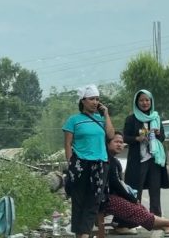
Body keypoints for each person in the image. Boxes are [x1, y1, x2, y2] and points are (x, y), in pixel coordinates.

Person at [105, 132, 169, 237]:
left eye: (121, 142)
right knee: (135, 209)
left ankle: (166, 226)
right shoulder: (106, 160)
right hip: (104, 199)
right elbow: (115, 184)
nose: (119, 144)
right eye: (116, 142)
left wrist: (130, 198)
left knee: (139, 208)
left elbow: (118, 184)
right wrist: (131, 198)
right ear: (108, 143)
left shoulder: (114, 161)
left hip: (110, 197)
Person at [63, 84, 116, 238]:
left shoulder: (100, 120)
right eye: (91, 99)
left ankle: (85, 234)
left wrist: (106, 114)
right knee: (78, 201)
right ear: (83, 101)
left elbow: (111, 135)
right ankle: (80, 235)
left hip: (100, 164)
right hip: (80, 164)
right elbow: (67, 144)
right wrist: (70, 163)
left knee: (93, 201)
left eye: (97, 99)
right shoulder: (73, 120)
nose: (95, 102)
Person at [123, 89, 169, 216]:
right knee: (134, 191)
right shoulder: (131, 119)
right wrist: (137, 138)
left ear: (151, 101)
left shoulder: (156, 118)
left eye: (147, 100)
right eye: (141, 100)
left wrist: (158, 134)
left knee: (155, 190)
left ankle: (156, 219)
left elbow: (162, 138)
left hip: (154, 159)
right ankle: (133, 218)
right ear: (136, 102)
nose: (144, 103)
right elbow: (124, 137)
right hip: (138, 160)